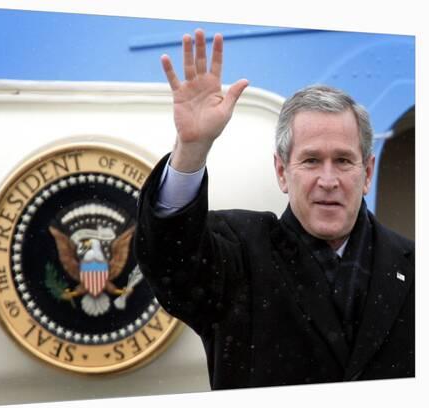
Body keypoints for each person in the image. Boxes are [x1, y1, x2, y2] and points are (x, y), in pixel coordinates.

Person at [133, 29, 414, 389]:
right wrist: (192, 148)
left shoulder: (413, 265)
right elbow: (169, 260)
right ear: (282, 172)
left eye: (343, 161)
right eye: (311, 161)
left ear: (367, 173)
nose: (328, 180)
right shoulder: (237, 255)